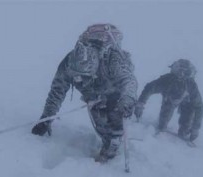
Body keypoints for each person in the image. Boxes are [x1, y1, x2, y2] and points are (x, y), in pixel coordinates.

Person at [31, 24, 138, 162]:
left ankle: (112, 149)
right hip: (92, 98)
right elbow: (57, 92)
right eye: (78, 77)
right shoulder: (69, 63)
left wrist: (128, 98)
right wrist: (46, 119)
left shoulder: (113, 59)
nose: (82, 80)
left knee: (115, 127)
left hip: (114, 95)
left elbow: (129, 80)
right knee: (101, 127)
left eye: (86, 76)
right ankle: (107, 142)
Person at [134, 59, 203, 142]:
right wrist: (140, 104)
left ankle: (184, 132)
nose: (181, 74)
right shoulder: (167, 80)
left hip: (187, 104)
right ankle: (162, 127)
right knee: (162, 124)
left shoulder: (191, 86)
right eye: (179, 71)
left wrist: (195, 128)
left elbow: (199, 107)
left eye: (185, 72)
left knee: (185, 130)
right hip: (169, 101)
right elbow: (150, 88)